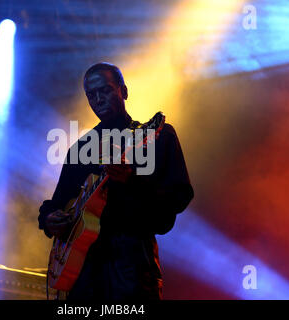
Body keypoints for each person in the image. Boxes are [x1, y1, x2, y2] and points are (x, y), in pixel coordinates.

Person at [38, 62, 194, 300]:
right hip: (84, 275)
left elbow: (179, 196)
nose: (98, 99)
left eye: (106, 90)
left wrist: (133, 182)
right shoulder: (81, 148)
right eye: (91, 95)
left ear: (124, 91)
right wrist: (49, 219)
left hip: (133, 269)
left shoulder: (158, 137)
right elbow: (57, 202)